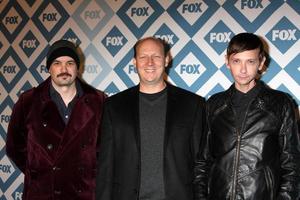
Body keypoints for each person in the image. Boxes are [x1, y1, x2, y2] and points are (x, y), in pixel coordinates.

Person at [96, 37, 206, 200]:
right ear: (134, 62)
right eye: (143, 57)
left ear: (167, 59)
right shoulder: (113, 106)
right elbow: (106, 166)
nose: (150, 63)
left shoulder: (193, 104)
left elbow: (201, 164)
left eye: (156, 56)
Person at [198, 33, 300, 199]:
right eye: (237, 61)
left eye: (250, 61)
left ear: (261, 63)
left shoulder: (280, 103)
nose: (243, 69)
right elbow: (203, 161)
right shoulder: (214, 104)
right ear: (227, 62)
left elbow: (292, 164)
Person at [6, 40, 106, 200]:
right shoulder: (28, 101)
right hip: (42, 194)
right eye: (57, 63)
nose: (64, 69)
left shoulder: (98, 101)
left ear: (77, 66)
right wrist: (39, 172)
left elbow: (107, 150)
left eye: (70, 63)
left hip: (84, 193)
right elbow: (14, 147)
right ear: (49, 68)